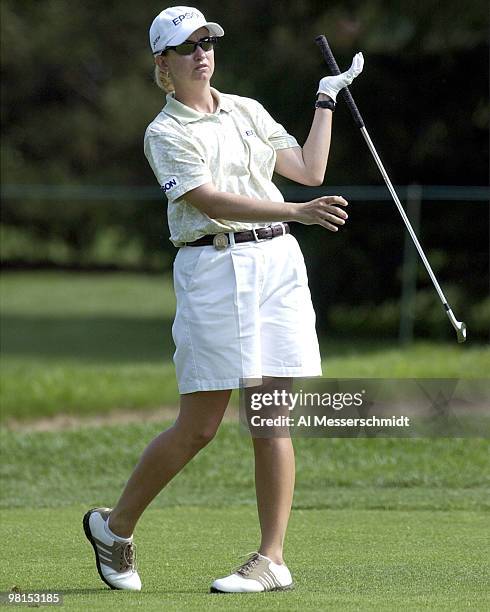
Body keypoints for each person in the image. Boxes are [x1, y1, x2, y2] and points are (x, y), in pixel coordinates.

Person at [83, 5, 363, 594]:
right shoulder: (165, 133)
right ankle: (115, 526)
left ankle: (272, 559)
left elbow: (309, 170)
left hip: (277, 266)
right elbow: (211, 202)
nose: (203, 53)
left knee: (270, 420)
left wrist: (324, 98)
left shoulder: (248, 110)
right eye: (188, 47)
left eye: (208, 42)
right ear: (164, 63)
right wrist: (295, 211)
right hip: (212, 266)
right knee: (200, 425)